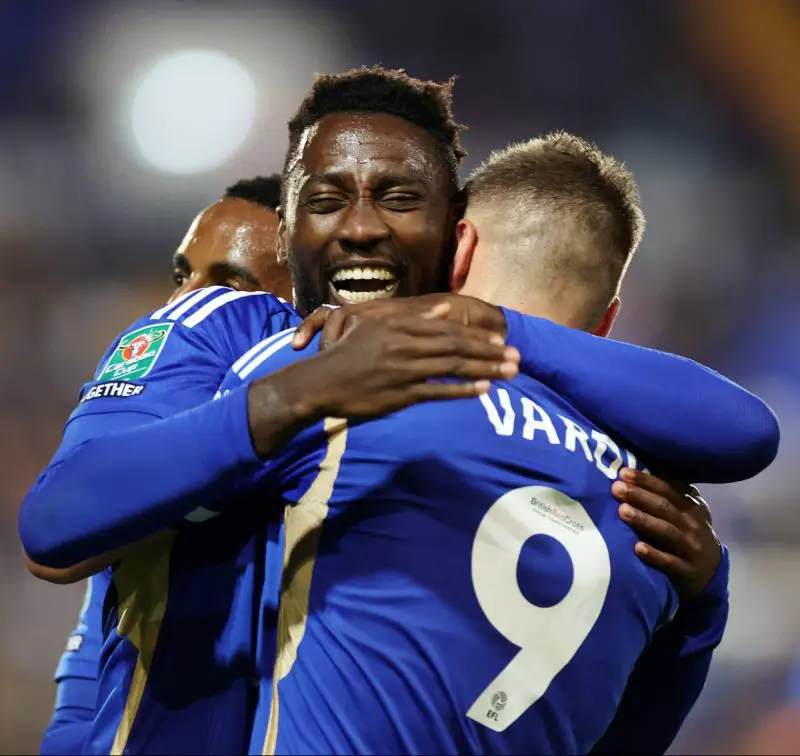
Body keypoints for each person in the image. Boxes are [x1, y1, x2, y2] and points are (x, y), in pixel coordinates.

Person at [19, 68, 776, 754]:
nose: (360, 228)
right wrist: (302, 393)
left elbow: (746, 432)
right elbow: (57, 527)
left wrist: (701, 604)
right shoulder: (230, 326)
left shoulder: (479, 417)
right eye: (325, 201)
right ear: (284, 228)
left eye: (401, 198)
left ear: (454, 237)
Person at [214, 131, 745, 754]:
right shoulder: (653, 512)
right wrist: (706, 604)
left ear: (459, 247)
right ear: (605, 323)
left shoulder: (351, 375)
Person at [38, 175, 291, 756]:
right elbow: (54, 540)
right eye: (182, 276)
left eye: (229, 284)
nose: (183, 304)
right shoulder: (151, 459)